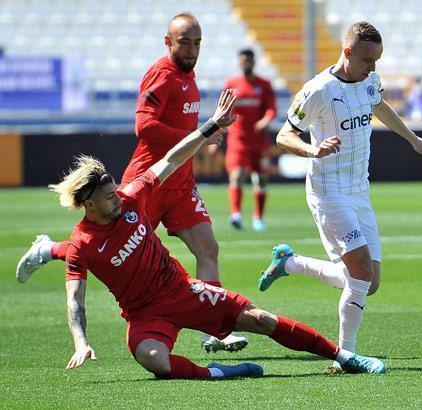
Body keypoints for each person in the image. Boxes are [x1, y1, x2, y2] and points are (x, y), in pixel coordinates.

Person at [52, 89, 386, 379]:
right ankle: (219, 373)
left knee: (261, 319)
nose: (117, 197)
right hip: (143, 315)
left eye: (115, 192)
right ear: (88, 205)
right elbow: (75, 301)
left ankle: (344, 356)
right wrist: (81, 342)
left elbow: (170, 159)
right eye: (109, 196)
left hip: (182, 291)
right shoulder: (82, 244)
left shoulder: (131, 197)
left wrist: (211, 125)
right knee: (153, 359)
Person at [16, 12, 248, 353]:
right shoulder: (160, 74)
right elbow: (144, 126)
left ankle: (215, 328)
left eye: (197, 43)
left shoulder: (189, 74)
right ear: (167, 42)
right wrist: (198, 133)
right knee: (120, 251)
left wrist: (203, 136)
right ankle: (48, 249)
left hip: (181, 184)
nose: (192, 49)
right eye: (185, 42)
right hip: (149, 179)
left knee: (208, 249)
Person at [256, 21, 422, 372]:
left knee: (369, 283)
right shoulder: (319, 90)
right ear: (348, 52)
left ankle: (290, 263)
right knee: (360, 271)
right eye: (368, 60)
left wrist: (413, 139)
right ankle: (347, 355)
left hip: (359, 190)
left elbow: (378, 104)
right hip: (329, 191)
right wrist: (313, 150)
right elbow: (283, 136)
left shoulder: (369, 79)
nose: (374, 68)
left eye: (378, 60)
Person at [209, 49, 276, 231]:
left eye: (249, 60)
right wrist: (216, 135)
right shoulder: (232, 84)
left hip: (259, 141)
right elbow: (222, 113)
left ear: (254, 62)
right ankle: (236, 214)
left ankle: (258, 217)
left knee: (261, 179)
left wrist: (265, 120)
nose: (246, 63)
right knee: (237, 175)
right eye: (243, 60)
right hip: (238, 141)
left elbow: (272, 109)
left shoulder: (264, 85)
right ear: (239, 62)